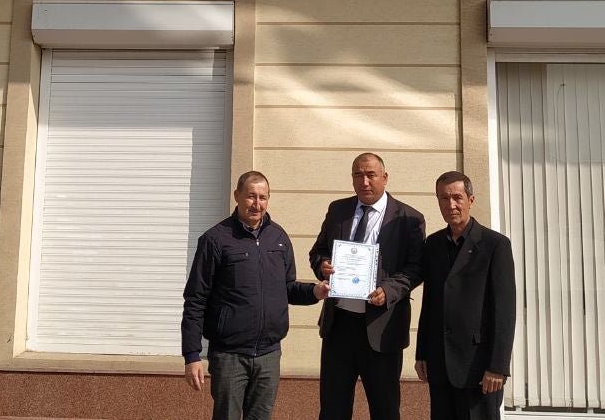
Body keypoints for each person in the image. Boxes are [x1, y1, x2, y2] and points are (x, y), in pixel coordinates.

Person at [181, 170, 331, 420]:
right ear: (237, 196)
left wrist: (315, 291)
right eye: (251, 196)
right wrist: (192, 355)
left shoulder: (279, 238)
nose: (256, 204)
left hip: (269, 355)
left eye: (263, 197)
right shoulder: (215, 240)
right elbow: (196, 299)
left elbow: (288, 288)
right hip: (229, 356)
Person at [309, 153, 425, 420]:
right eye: (357, 175)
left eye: (371, 174)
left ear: (384, 178)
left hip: (382, 328)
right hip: (339, 326)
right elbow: (318, 251)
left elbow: (416, 268)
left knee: (384, 409)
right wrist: (323, 264)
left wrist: (390, 290)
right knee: (332, 409)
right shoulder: (338, 210)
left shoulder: (409, 218)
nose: (364, 181)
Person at [415, 171, 516, 420]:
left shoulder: (496, 245)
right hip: (439, 364)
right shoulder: (434, 244)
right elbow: (429, 302)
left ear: (471, 199)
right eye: (444, 198)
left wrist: (498, 367)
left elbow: (505, 311)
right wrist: (422, 353)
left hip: (479, 368)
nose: (451, 205)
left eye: (457, 197)